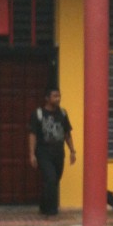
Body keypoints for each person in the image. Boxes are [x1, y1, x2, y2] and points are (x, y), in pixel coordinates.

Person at [28, 87, 76, 216]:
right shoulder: (38, 114)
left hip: (59, 152)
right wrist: (32, 154)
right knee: (50, 178)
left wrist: (72, 150)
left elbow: (67, 133)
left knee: (55, 180)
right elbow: (32, 135)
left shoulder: (63, 113)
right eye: (55, 96)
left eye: (59, 96)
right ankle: (51, 210)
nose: (58, 98)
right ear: (47, 98)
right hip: (43, 152)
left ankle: (43, 206)